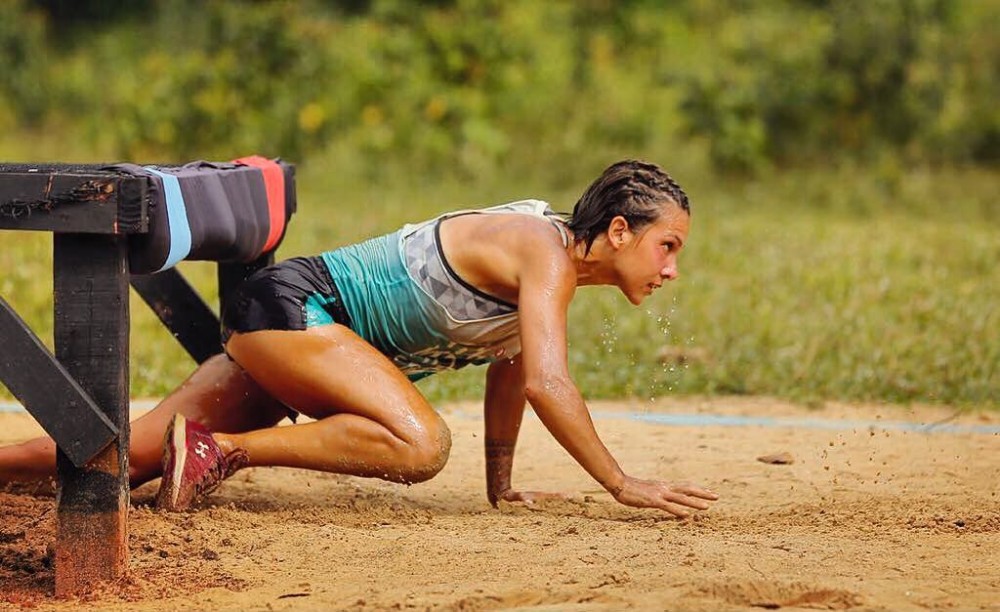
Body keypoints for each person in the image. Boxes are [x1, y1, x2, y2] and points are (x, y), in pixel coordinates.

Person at [0, 160, 718, 518]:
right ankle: (219, 452)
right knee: (422, 445)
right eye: (667, 246)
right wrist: (624, 484)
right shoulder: (544, 249)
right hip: (292, 312)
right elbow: (548, 383)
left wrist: (501, 487)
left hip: (290, 332)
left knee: (121, 458)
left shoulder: (552, 276)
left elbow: (514, 369)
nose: (672, 269)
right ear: (620, 231)